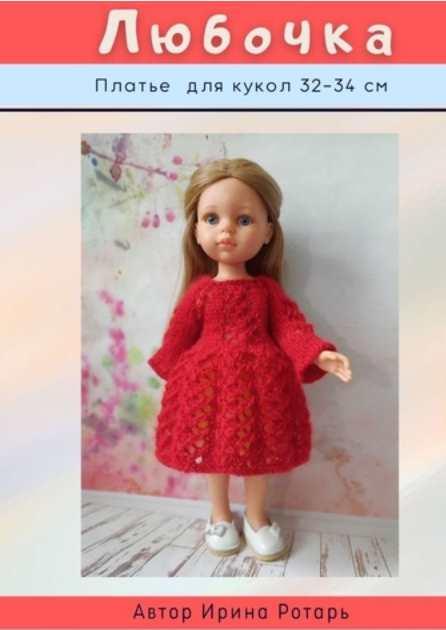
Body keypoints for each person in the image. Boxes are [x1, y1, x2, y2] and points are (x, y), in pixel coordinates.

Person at [148, 158, 352, 562]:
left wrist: (319, 353)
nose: (226, 230)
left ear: (268, 231)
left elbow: (290, 328)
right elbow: (180, 332)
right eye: (212, 219)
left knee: (258, 454)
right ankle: (220, 515)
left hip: (261, 387)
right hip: (207, 385)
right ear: (196, 229)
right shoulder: (200, 292)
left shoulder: (266, 291)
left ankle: (257, 517)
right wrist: (170, 367)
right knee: (214, 452)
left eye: (243, 220)